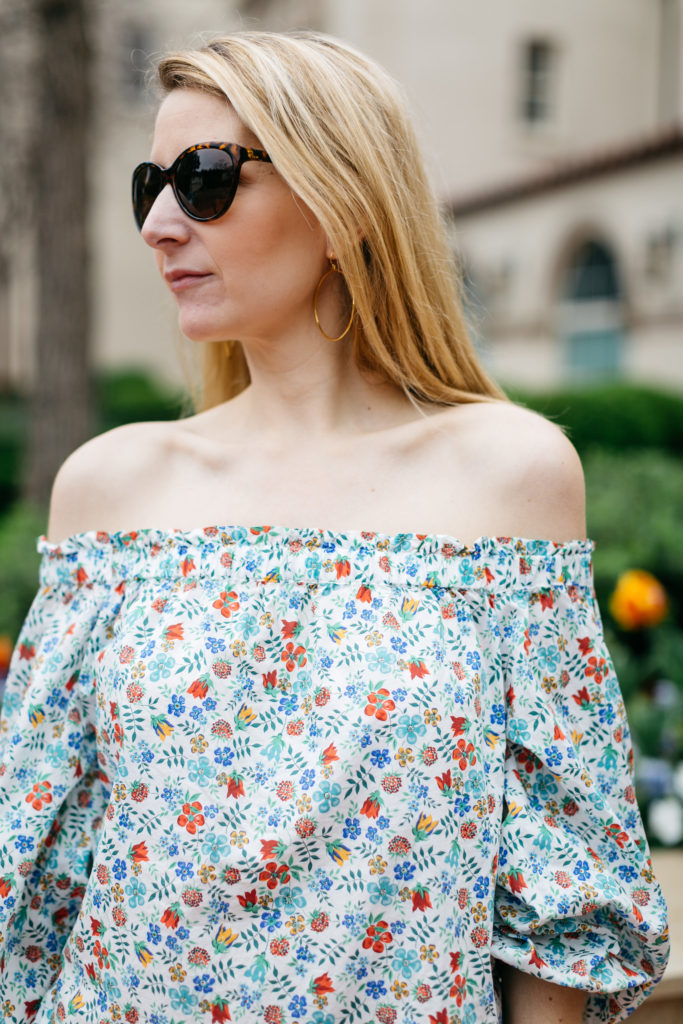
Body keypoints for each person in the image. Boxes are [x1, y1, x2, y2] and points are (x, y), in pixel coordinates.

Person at [0, 29, 669, 1024]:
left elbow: (561, 881)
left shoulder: (509, 478)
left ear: (343, 198)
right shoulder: (109, 489)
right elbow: (38, 882)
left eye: (206, 177)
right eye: (152, 184)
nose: (159, 223)